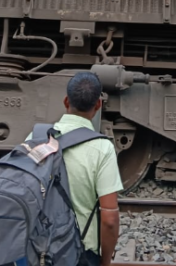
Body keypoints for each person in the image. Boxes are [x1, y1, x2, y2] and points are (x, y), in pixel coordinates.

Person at [41, 71, 122, 266]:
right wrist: (104, 262)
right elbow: (110, 220)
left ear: (66, 101)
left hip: (38, 249)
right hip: (79, 255)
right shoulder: (102, 148)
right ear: (98, 105)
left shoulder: (36, 139)